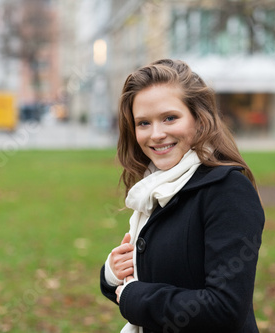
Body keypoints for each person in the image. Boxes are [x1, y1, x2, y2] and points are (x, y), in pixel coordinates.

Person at [100, 59, 265, 333]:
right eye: (143, 123)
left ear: (199, 120)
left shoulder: (228, 191)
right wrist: (111, 274)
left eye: (169, 118)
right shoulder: (156, 187)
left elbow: (225, 308)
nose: (156, 134)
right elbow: (149, 277)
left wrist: (138, 298)